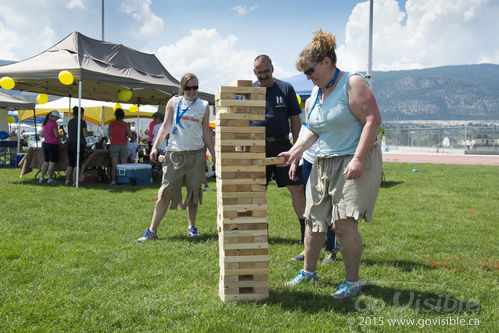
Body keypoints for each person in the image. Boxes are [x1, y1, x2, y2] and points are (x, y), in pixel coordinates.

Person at [279, 29, 382, 299]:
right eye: (305, 73)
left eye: (310, 71)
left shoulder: (353, 82)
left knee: (343, 224)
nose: (308, 77)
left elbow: (372, 119)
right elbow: (313, 130)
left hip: (353, 159)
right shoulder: (314, 97)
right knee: (313, 220)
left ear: (326, 62)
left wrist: (359, 158)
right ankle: (308, 271)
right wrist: (295, 152)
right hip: (323, 161)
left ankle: (352, 281)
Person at [138, 73, 215, 241]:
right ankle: (152, 231)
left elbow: (206, 132)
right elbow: (165, 127)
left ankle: (192, 227)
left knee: (194, 193)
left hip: (196, 154)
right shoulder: (173, 102)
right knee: (165, 192)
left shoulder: (203, 105)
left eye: (195, 87)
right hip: (175, 154)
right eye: (188, 88)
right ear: (182, 88)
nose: (192, 91)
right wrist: (155, 147)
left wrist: (213, 154)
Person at [252, 54, 307, 261]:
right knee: (257, 191)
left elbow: (295, 119)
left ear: (273, 69)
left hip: (283, 145)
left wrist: (296, 149)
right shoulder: (250, 90)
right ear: (254, 72)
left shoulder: (286, 89)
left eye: (266, 72)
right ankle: (256, 236)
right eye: (259, 73)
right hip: (256, 147)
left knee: (296, 188)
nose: (263, 76)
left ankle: (305, 237)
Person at [292, 97, 338, 264]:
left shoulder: (333, 108)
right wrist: (295, 160)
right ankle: (308, 249)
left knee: (332, 206)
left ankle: (330, 249)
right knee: (310, 207)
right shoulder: (310, 104)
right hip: (310, 162)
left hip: (329, 161)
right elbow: (303, 135)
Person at [65, 106, 93, 186]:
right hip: (78, 143)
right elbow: (85, 134)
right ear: (81, 113)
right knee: (77, 164)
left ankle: (67, 180)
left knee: (70, 164)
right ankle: (74, 181)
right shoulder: (82, 122)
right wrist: (91, 133)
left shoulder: (70, 121)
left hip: (69, 143)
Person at [39, 111, 66, 184]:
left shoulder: (45, 122)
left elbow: (42, 134)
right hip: (53, 144)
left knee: (46, 162)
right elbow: (56, 135)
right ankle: (50, 179)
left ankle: (41, 178)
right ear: (53, 116)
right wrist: (64, 136)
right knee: (52, 163)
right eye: (57, 117)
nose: (57, 119)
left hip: (45, 143)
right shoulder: (53, 123)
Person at [108, 108, 133, 185]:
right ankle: (123, 180)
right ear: (123, 116)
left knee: (114, 164)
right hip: (123, 145)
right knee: (123, 164)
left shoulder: (111, 124)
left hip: (114, 144)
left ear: (115, 115)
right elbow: (130, 135)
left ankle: (113, 181)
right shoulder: (126, 124)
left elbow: (109, 134)